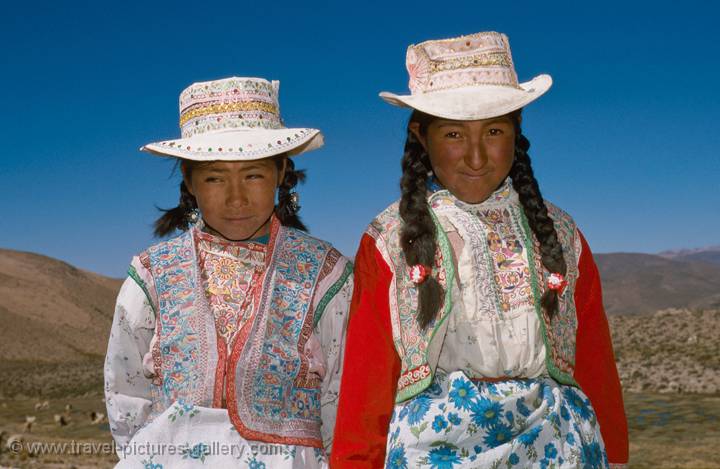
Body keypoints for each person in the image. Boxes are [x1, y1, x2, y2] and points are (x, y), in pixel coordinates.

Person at [331, 32, 628, 468]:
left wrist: (616, 456)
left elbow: (595, 361)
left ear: (517, 130)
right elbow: (367, 377)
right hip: (433, 449)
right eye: (453, 133)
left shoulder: (561, 233)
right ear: (421, 135)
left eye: (493, 131)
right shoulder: (391, 239)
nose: (475, 157)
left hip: (558, 446)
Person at [104, 76, 353, 468]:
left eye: (253, 174)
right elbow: (126, 389)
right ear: (190, 180)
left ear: (281, 172)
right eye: (215, 177)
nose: (236, 197)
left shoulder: (326, 274)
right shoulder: (151, 274)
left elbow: (342, 391)